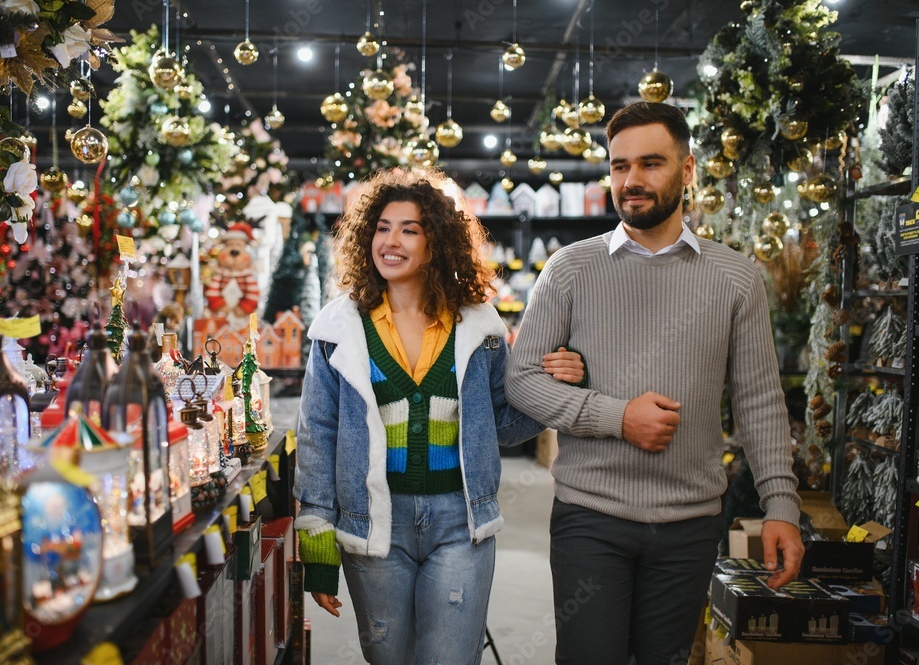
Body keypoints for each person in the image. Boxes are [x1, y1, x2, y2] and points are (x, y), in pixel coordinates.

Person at [504, 102, 804, 665]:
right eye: (619, 166)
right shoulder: (570, 269)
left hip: (690, 524)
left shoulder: (735, 277)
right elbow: (521, 382)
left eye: (650, 164)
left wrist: (781, 506)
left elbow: (760, 400)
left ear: (688, 170)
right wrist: (618, 416)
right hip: (590, 517)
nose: (631, 181)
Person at [293, 167, 584, 664]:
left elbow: (503, 423)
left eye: (410, 229)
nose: (392, 241)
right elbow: (318, 434)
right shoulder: (337, 329)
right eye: (382, 227)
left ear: (437, 243)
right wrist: (319, 551)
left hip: (459, 521)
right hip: (374, 525)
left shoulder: (477, 325)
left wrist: (552, 388)